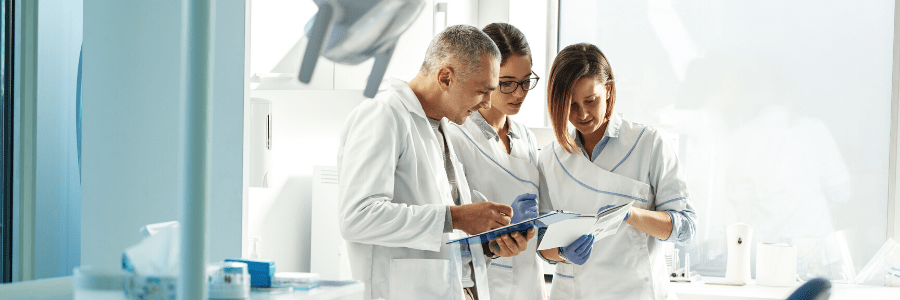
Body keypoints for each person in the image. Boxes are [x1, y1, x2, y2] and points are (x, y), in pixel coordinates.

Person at [337, 25, 536, 300]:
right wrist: (458, 216)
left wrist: (490, 245)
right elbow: (357, 217)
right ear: (445, 77)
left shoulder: (441, 126)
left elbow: (444, 236)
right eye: (482, 91)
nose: (487, 103)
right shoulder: (383, 115)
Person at [536, 43, 697, 300]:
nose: (583, 114)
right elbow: (542, 242)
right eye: (571, 104)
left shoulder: (649, 144)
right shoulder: (550, 158)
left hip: (638, 292)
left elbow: (686, 227)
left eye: (591, 100)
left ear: (608, 90)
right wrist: (564, 253)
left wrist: (630, 214)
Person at [445, 23, 546, 300]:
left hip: (530, 283)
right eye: (507, 83)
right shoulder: (456, 135)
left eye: (526, 81)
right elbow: (450, 231)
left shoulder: (525, 137)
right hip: (483, 283)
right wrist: (499, 232)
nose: (520, 93)